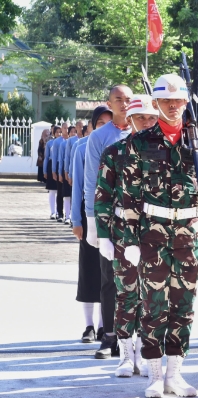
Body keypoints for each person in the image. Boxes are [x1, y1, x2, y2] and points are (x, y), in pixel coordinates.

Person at [121, 73, 198, 398]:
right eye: (166, 100)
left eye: (178, 100)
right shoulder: (140, 142)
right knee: (152, 305)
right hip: (152, 232)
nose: (173, 105)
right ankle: (153, 375)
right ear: (157, 103)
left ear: (185, 101)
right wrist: (130, 240)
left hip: (189, 233)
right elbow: (130, 197)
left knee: (184, 304)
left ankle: (175, 375)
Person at [95, 95, 158, 378]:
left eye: (151, 118)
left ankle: (145, 352)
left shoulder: (164, 150)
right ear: (129, 120)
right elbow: (103, 196)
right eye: (141, 118)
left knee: (151, 295)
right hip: (122, 231)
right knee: (126, 294)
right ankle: (124, 354)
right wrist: (103, 236)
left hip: (155, 231)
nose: (147, 123)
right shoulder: (114, 152)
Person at [84, 85, 134, 359]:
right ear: (109, 103)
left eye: (128, 99)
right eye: (119, 100)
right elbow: (91, 179)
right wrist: (92, 221)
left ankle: (132, 337)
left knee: (138, 280)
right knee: (109, 278)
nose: (124, 104)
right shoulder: (100, 137)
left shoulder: (143, 132)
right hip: (110, 216)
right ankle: (109, 336)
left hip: (139, 218)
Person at [71, 105, 112, 343]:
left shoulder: (120, 147)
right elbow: (78, 187)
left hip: (112, 218)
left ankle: (103, 325)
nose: (104, 127)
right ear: (92, 126)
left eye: (109, 122)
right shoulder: (82, 148)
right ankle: (88, 325)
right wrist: (77, 220)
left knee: (108, 273)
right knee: (88, 270)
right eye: (100, 124)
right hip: (90, 217)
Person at [59, 125, 77, 225]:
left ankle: (73, 217)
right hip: (69, 170)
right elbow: (66, 158)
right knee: (67, 194)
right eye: (72, 131)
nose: (73, 133)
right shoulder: (67, 143)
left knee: (75, 196)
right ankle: (67, 216)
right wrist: (65, 172)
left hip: (77, 171)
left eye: (75, 131)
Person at [52, 122, 69, 222]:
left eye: (67, 128)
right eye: (64, 128)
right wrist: (54, 171)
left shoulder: (72, 141)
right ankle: (59, 213)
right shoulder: (57, 142)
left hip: (68, 167)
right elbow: (54, 157)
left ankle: (68, 214)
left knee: (68, 192)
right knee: (60, 191)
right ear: (61, 129)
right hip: (60, 166)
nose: (66, 130)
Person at [43, 126, 61, 220]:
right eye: (57, 132)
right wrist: (45, 170)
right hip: (51, 166)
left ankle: (59, 212)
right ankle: (52, 212)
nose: (59, 134)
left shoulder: (63, 142)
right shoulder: (50, 143)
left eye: (60, 132)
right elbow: (46, 158)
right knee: (52, 190)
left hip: (60, 165)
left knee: (60, 191)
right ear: (53, 133)